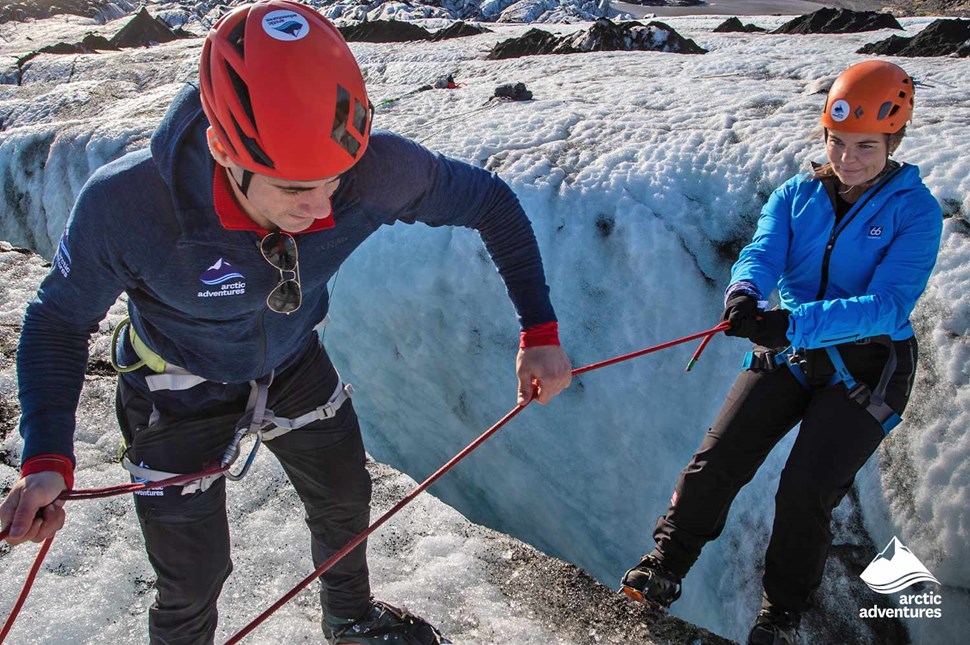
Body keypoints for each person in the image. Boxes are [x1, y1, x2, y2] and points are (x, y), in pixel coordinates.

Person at [0, 2, 572, 643]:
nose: (323, 207)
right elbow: (56, 321)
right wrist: (47, 456)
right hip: (175, 382)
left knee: (345, 504)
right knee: (193, 578)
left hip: (293, 358)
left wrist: (540, 333)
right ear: (222, 150)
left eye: (333, 180)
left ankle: (351, 619)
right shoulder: (132, 206)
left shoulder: (374, 173)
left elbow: (490, 203)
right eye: (296, 189)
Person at [619, 60, 942, 645]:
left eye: (866, 145)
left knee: (804, 491)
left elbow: (890, 304)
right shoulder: (797, 195)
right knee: (717, 462)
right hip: (791, 354)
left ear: (893, 140)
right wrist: (744, 291)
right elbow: (764, 250)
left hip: (866, 367)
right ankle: (665, 567)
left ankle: (780, 617)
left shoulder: (914, 210)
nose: (849, 158)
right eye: (837, 142)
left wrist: (793, 322)